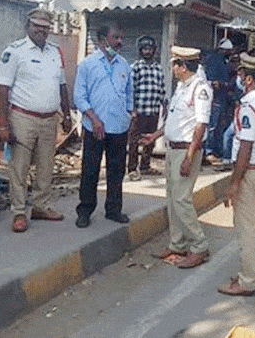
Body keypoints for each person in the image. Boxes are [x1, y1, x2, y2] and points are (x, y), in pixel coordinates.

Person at [0, 8, 73, 233]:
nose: (41, 31)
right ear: (28, 26)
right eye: (37, 26)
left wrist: (66, 115)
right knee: (19, 168)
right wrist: (2, 124)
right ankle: (19, 212)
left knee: (45, 166)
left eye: (45, 27)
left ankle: (41, 206)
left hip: (49, 119)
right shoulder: (14, 52)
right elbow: (2, 89)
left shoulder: (54, 52)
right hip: (22, 118)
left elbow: (61, 85)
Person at [142, 46, 212, 269]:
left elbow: (201, 125)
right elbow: (175, 120)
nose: (172, 68)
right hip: (173, 149)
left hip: (185, 150)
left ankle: (199, 246)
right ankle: (177, 243)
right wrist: (156, 135)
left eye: (175, 64)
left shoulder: (200, 89)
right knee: (172, 198)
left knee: (182, 199)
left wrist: (189, 157)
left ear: (183, 67)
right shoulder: (182, 88)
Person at [218, 53, 255, 296]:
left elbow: (245, 145)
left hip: (249, 171)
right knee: (251, 225)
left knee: (245, 229)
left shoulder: (248, 107)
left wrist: (234, 182)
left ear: (250, 79)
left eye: (242, 75)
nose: (239, 79)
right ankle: (254, 272)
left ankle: (247, 280)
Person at [74, 24, 133, 228]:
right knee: (90, 170)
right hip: (94, 128)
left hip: (118, 127)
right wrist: (94, 119)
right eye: (116, 37)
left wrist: (129, 115)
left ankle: (114, 210)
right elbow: (79, 97)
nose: (120, 42)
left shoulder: (124, 65)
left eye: (122, 38)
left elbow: (129, 94)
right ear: (102, 40)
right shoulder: (87, 65)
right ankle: (85, 211)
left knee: (117, 170)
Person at [127, 35, 167, 181]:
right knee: (134, 140)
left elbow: (161, 88)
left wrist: (164, 104)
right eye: (145, 49)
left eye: (150, 49)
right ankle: (132, 168)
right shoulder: (136, 67)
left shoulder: (158, 67)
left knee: (150, 139)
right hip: (140, 111)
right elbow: (131, 89)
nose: (148, 52)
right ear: (140, 50)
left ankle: (145, 166)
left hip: (153, 110)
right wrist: (132, 109)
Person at [203, 38, 234, 164]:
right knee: (212, 125)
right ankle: (209, 151)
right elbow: (212, 81)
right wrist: (221, 84)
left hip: (222, 98)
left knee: (219, 126)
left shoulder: (223, 61)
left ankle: (216, 150)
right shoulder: (214, 60)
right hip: (215, 98)